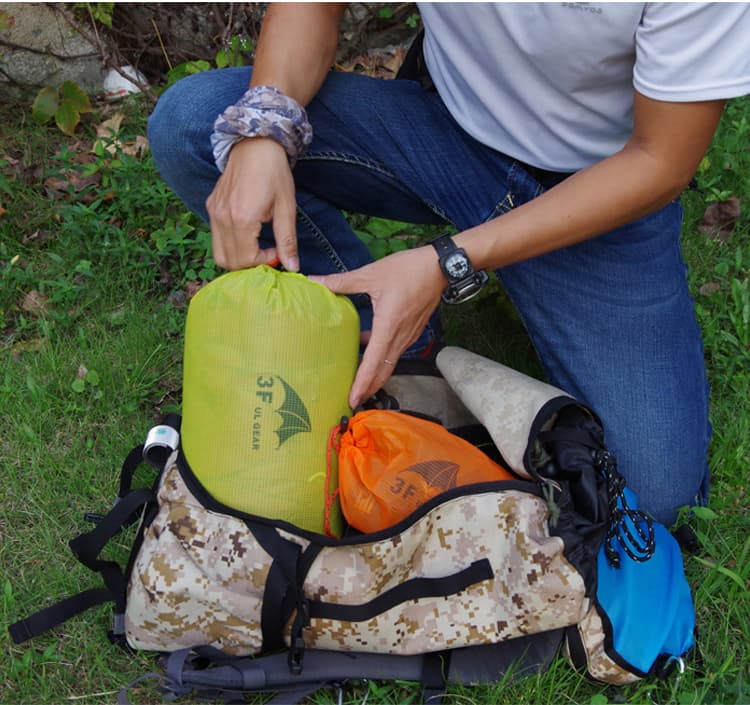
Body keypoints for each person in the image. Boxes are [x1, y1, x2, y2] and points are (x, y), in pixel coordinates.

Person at [148, 3, 750, 525]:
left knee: (653, 497)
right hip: (446, 134)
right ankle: (382, 337)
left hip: (597, 187)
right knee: (198, 123)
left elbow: (661, 161)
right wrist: (265, 130)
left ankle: (438, 299)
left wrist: (448, 261)